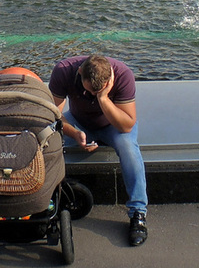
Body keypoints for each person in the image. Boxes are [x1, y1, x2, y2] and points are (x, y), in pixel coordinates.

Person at [48, 54, 148, 247]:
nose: (92, 95)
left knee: (129, 148)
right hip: (78, 122)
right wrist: (75, 133)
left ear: (110, 78)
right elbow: (53, 114)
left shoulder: (123, 74)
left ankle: (138, 212)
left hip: (115, 124)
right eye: (89, 91)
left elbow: (127, 125)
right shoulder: (63, 71)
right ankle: (47, 201)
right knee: (48, 140)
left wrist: (103, 99)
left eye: (98, 91)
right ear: (79, 73)